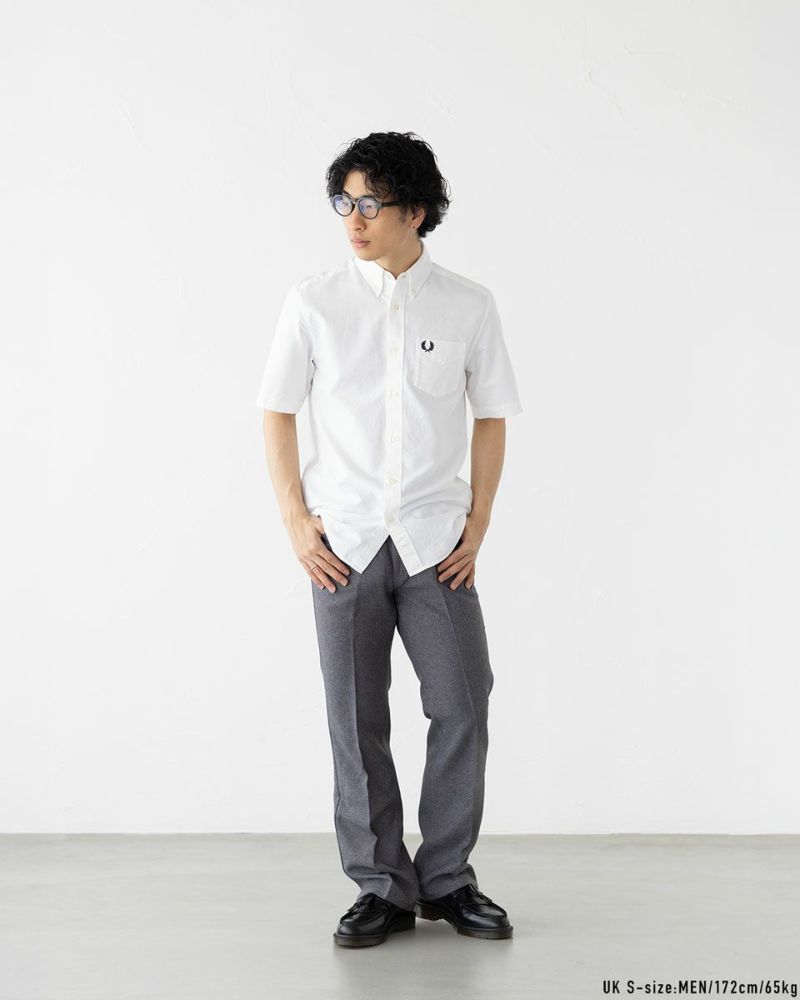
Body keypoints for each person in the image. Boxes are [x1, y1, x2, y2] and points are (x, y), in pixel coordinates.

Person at [255, 131, 522, 947]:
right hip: (344, 545)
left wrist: (479, 520)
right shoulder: (314, 302)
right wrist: (296, 520)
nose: (354, 218)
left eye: (370, 202)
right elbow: (276, 410)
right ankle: (380, 886)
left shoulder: (469, 304)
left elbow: (490, 415)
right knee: (355, 717)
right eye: (344, 201)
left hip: (438, 544)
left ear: (417, 211)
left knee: (463, 702)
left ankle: (446, 880)